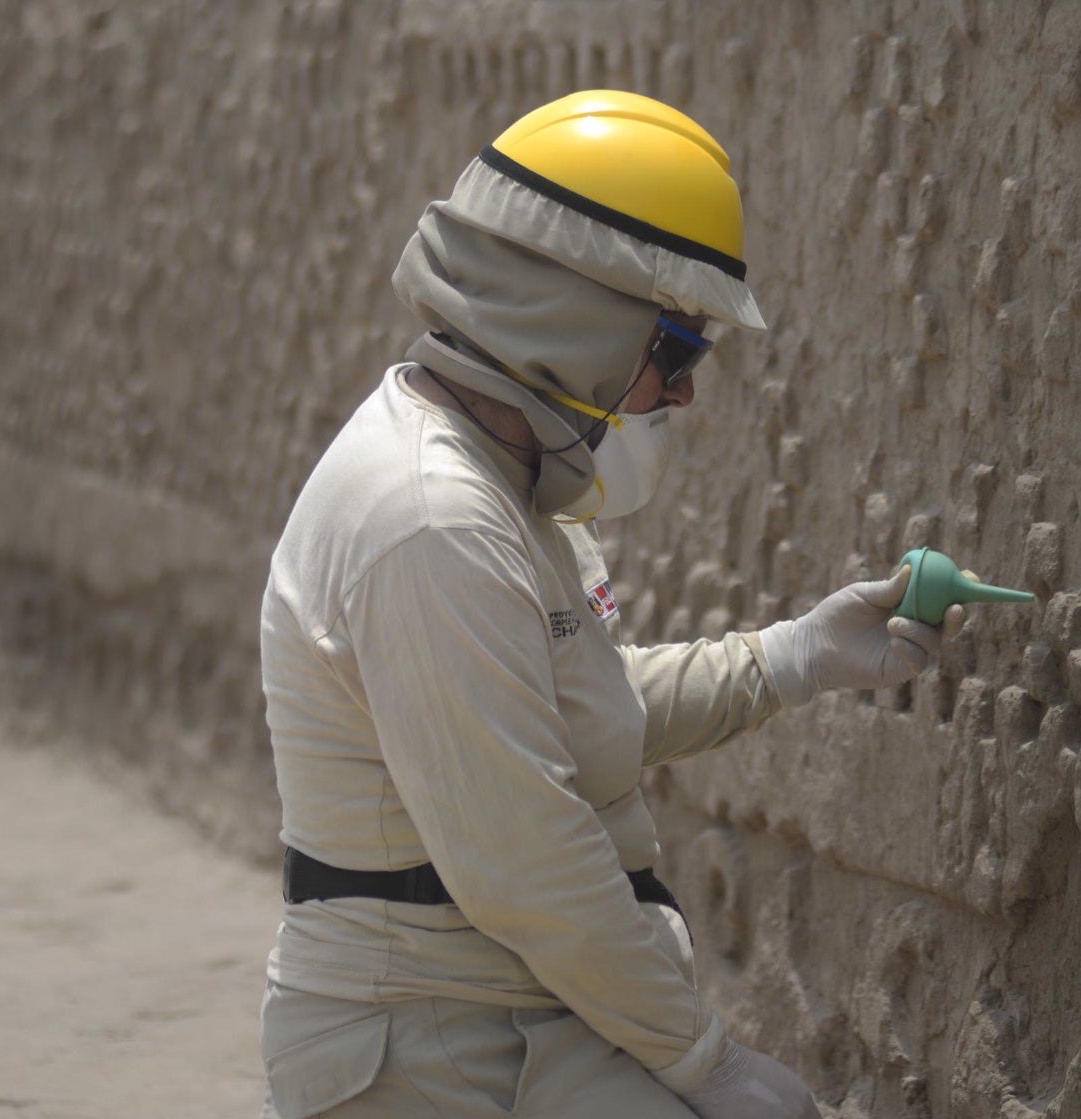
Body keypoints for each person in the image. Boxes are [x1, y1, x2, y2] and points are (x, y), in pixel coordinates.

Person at [256, 91, 965, 1118]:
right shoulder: (433, 519)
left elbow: (568, 702)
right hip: (433, 1051)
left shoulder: (502, 484)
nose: (680, 394)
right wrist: (706, 1062)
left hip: (506, 1021)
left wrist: (792, 656)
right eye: (675, 350)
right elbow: (524, 857)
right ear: (572, 322)